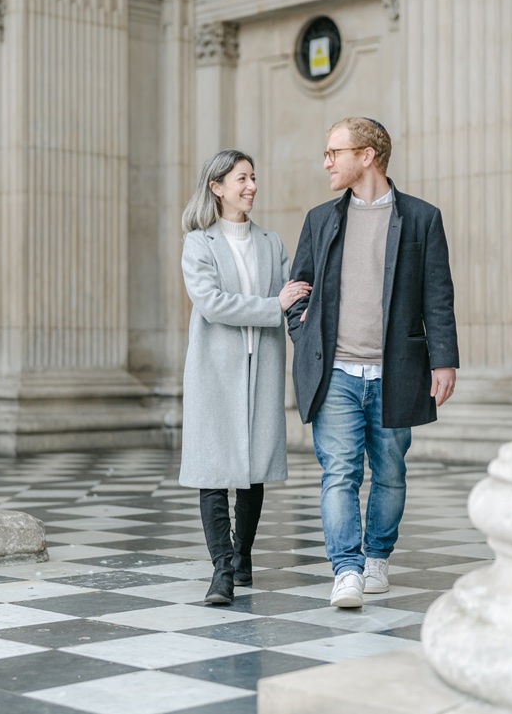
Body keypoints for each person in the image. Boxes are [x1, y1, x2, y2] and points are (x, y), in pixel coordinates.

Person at [285, 117, 459, 608]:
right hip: (335, 371)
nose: (326, 162)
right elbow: (298, 289)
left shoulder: (423, 218)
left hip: (396, 370)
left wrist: (444, 360)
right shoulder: (320, 219)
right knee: (339, 472)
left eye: (333, 152)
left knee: (389, 473)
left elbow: (438, 296)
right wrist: (305, 336)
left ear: (366, 155)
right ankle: (346, 569)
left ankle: (377, 557)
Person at [178, 149, 310, 605]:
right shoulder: (199, 243)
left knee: (253, 470)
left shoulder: (272, 242)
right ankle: (221, 571)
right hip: (214, 372)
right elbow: (212, 303)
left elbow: (295, 294)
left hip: (263, 368)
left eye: (254, 177)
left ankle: (243, 556)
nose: (251, 186)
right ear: (217, 187)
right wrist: (273, 304)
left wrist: (298, 304)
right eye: (242, 179)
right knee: (213, 470)